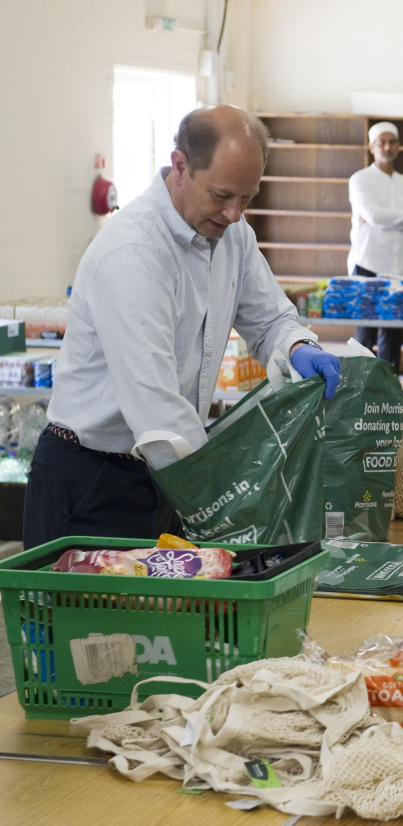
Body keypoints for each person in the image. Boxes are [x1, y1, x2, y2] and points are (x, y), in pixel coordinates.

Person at [23, 105, 340, 548]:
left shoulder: (232, 234)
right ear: (180, 166)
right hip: (92, 480)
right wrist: (226, 497)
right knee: (86, 616)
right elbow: (154, 402)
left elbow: (270, 317)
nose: (234, 213)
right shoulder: (134, 253)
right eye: (221, 195)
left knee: (160, 616)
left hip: (165, 472)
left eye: (247, 198)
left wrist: (297, 346)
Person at [347, 121, 403, 369]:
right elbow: (374, 215)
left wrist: (383, 218)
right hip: (366, 263)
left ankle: (388, 399)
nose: (387, 147)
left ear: (399, 146)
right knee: (364, 338)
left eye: (392, 142)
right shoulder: (360, 179)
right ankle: (358, 399)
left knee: (392, 338)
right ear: (371, 146)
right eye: (382, 142)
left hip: (398, 268)